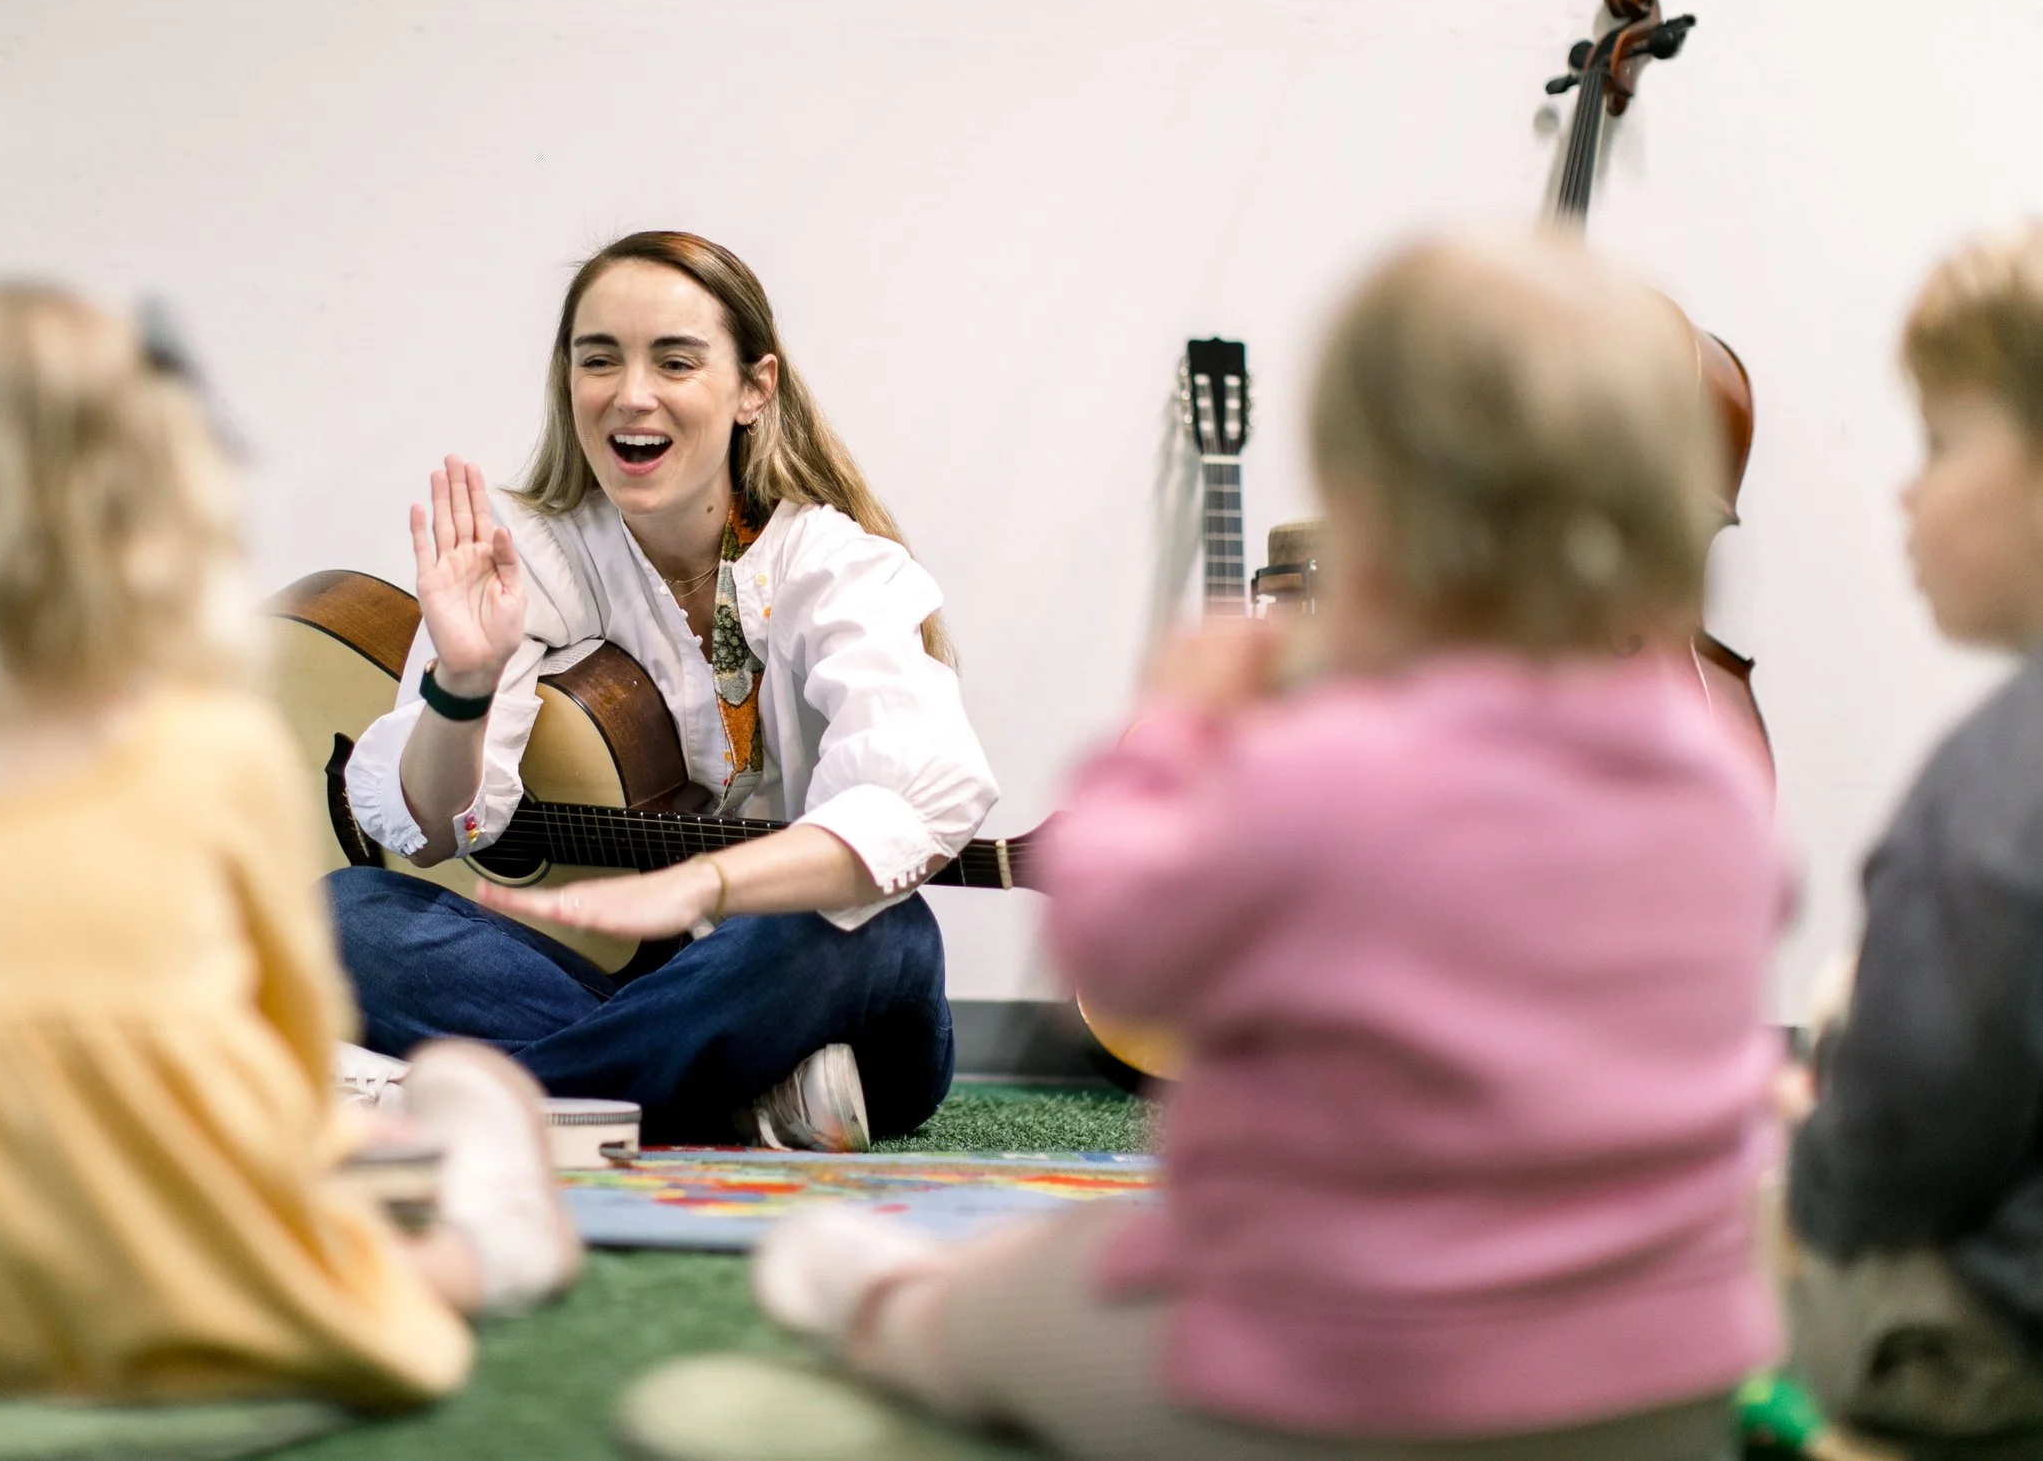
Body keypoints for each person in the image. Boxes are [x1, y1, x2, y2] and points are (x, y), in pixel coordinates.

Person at [754, 230, 1785, 1459]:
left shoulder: (1326, 760)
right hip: (1650, 1384)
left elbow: (1115, 942)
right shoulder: (1711, 775)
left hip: (1333, 1374)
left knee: (1044, 1292)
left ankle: (893, 1308)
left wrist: (1178, 738)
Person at [0, 282, 577, 1407]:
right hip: (137, 1264)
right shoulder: (203, 738)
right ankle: (500, 1226)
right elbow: (281, 1028)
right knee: (383, 1259)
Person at [331, 231, 997, 1150]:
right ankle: (718, 1096)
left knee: (880, 932)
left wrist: (703, 886)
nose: (631, 393)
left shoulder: (837, 567)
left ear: (753, 389)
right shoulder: (529, 555)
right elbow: (440, 824)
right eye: (598, 359)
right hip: (606, 985)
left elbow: (920, 786)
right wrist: (462, 685)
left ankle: (471, 1102)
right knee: (347, 914)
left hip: (794, 987)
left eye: (675, 361)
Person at [1783, 222, 2043, 1448]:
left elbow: (1903, 1147)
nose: (1904, 487)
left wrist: (1809, 1157)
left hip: (1996, 1351)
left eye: (1939, 444)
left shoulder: (1993, 789)